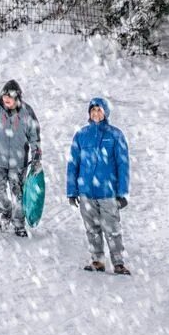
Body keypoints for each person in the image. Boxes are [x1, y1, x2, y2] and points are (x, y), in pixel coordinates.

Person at [67, 96, 130, 275]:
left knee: (112, 228)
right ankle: (97, 260)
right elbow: (73, 164)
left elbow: (123, 165)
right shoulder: (81, 135)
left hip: (107, 192)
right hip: (86, 191)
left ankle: (118, 262)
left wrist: (122, 192)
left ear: (106, 113)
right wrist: (72, 191)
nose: (96, 114)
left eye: (99, 110)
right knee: (92, 228)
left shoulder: (115, 135)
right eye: (93, 110)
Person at [0, 78, 42, 237]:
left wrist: (36, 158)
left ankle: (19, 224)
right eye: (4, 96)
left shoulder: (27, 113)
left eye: (10, 96)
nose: (6, 99)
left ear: (17, 97)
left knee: (18, 196)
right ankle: (6, 212)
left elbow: (35, 138)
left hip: (18, 164)